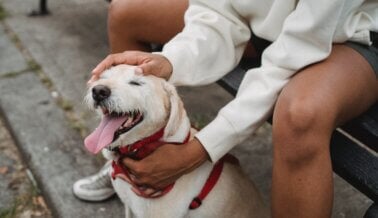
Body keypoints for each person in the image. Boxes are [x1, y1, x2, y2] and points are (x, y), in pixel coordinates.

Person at [74, 0, 378, 217]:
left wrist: (201, 149)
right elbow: (215, 13)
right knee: (125, 13)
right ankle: (126, 158)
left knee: (300, 112)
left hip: (346, 33)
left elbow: (299, 48)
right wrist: (170, 61)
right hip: (265, 27)